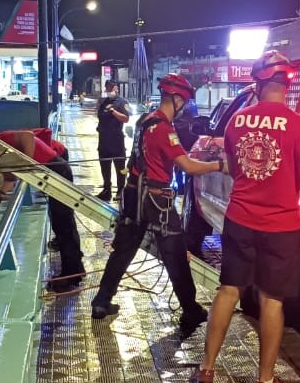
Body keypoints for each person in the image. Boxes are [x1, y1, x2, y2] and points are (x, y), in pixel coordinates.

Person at [189, 51, 300, 383]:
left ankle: (207, 369)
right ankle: (265, 382)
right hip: (281, 225)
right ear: (286, 85)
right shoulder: (299, 124)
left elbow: (232, 165)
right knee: (271, 300)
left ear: (256, 84)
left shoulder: (236, 122)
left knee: (228, 290)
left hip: (240, 219)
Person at [90, 74, 223, 328]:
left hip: (133, 196)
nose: (184, 106)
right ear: (176, 99)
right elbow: (188, 166)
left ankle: (101, 300)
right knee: (175, 255)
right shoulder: (164, 129)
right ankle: (191, 309)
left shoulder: (145, 121)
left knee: (123, 250)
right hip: (156, 200)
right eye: (183, 101)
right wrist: (220, 165)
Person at [0, 127, 86, 292]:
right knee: (62, 224)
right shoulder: (0, 152)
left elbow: (28, 137)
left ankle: (71, 276)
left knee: (64, 226)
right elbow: (9, 177)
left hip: (56, 171)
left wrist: (29, 165)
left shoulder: (3, 138)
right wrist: (2, 192)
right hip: (54, 171)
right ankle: (75, 269)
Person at [96, 80, 130, 201]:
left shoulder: (122, 102)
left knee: (120, 168)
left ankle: (121, 190)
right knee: (104, 167)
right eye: (109, 88)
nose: (111, 91)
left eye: (113, 88)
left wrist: (113, 111)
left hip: (116, 141)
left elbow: (126, 118)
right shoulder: (104, 102)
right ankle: (107, 190)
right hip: (104, 141)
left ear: (117, 89)